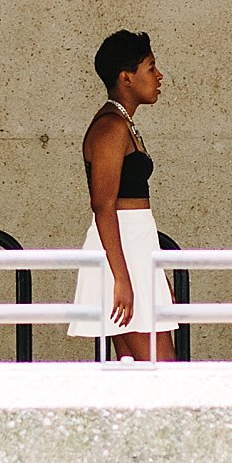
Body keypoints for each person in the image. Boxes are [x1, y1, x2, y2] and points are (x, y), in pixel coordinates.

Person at [73, 30, 177, 361]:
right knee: (160, 372)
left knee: (132, 372)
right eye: (150, 67)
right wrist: (122, 278)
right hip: (121, 253)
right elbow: (103, 206)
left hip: (134, 250)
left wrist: (152, 273)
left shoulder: (122, 123)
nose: (158, 76)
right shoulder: (110, 128)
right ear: (126, 77)